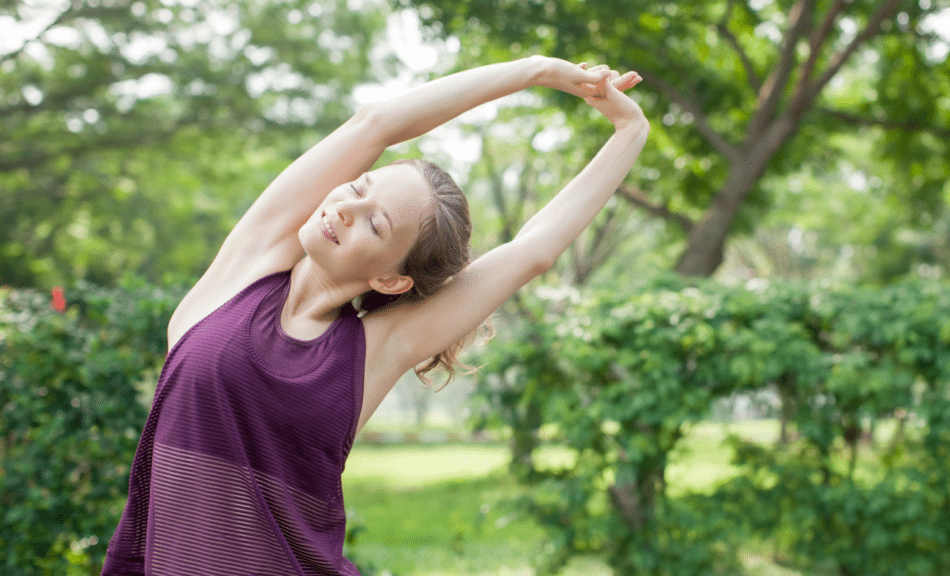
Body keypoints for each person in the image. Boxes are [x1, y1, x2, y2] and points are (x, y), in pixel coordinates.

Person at [101, 55, 648, 576]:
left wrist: (630, 135)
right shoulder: (245, 270)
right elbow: (376, 124)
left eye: (376, 224)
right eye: (359, 188)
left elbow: (533, 252)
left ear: (391, 279)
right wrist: (537, 71)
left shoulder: (372, 350)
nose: (345, 206)